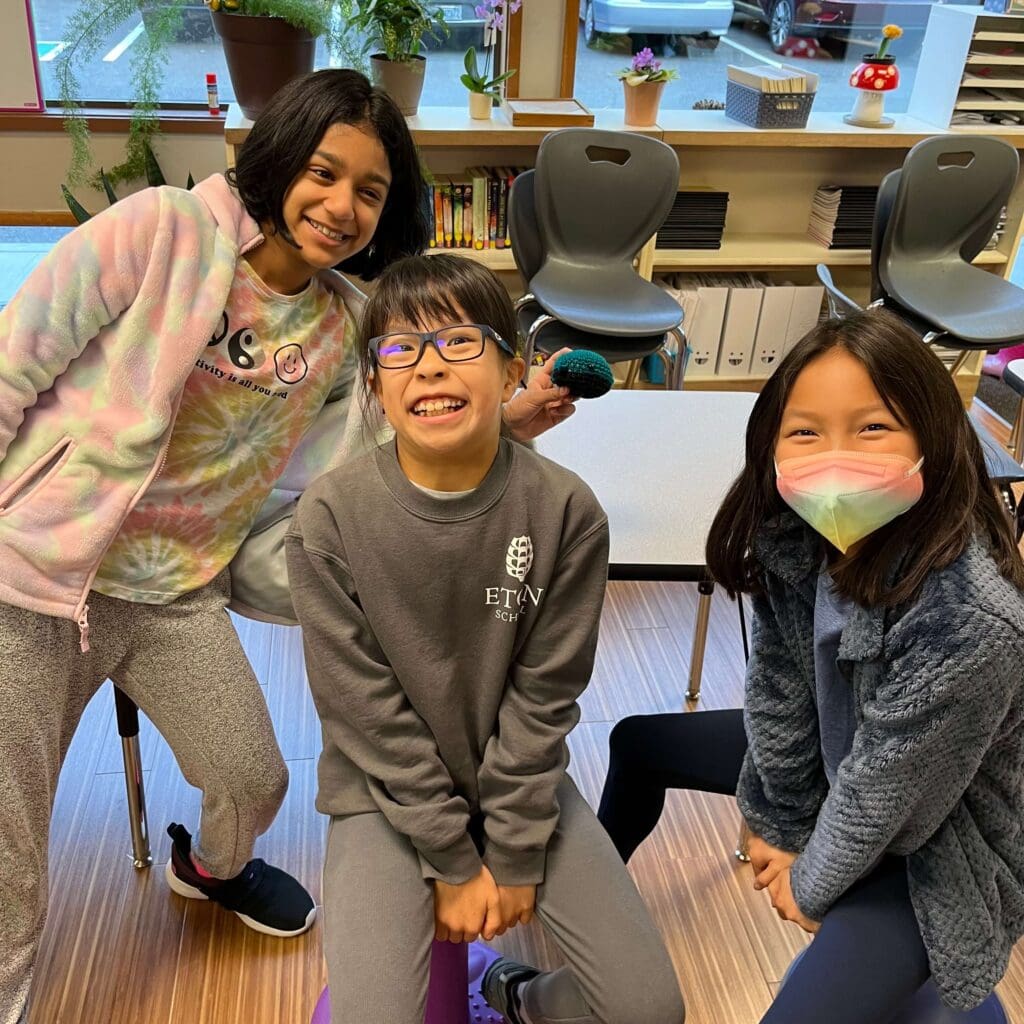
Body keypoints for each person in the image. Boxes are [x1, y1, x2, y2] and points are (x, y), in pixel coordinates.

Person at [0, 70, 573, 1024]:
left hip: (174, 591)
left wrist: (499, 423)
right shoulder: (163, 231)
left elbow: (396, 454)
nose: (341, 207)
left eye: (371, 191)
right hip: (32, 572)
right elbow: (16, 356)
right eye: (323, 172)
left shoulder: (349, 322)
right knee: (7, 840)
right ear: (279, 160)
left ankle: (210, 870)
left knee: (252, 778)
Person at [285, 253, 685, 1024]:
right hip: (381, 794)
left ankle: (519, 994)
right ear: (375, 385)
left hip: (519, 780)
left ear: (512, 373)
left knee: (647, 1009)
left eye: (460, 342)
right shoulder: (331, 516)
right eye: (399, 350)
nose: (429, 368)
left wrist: (512, 846)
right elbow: (362, 712)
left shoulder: (566, 510)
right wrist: (453, 859)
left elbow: (545, 698)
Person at [598, 309, 1024, 1022]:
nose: (836, 457)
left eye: (873, 427)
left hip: (940, 844)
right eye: (805, 432)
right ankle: (585, 913)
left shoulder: (970, 618)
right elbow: (781, 687)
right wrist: (781, 820)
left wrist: (807, 877)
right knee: (639, 744)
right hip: (848, 757)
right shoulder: (795, 535)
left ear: (933, 439)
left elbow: (893, 799)